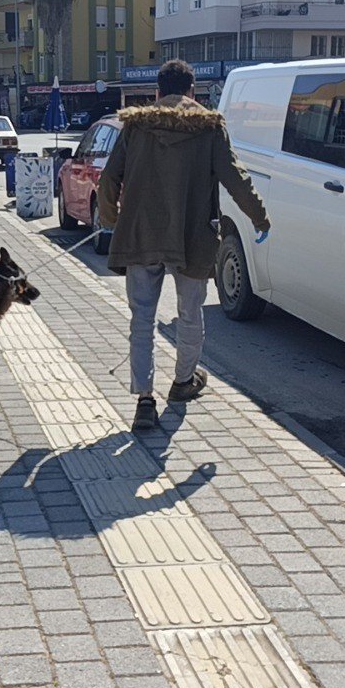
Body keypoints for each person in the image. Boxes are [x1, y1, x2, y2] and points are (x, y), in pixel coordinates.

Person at [97, 59, 271, 431]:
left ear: (158, 92)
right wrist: (259, 217)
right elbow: (236, 178)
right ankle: (182, 382)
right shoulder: (209, 128)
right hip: (192, 237)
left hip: (142, 236)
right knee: (190, 313)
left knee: (141, 318)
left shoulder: (136, 126)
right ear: (193, 92)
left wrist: (112, 220)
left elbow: (109, 178)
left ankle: (144, 400)